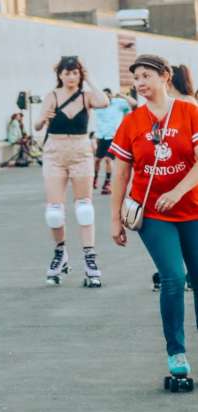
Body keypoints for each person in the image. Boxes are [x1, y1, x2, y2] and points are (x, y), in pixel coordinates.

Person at [109, 54, 198, 387]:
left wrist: (177, 191)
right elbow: (120, 173)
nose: (141, 83)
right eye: (136, 78)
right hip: (153, 215)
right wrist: (115, 219)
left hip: (193, 209)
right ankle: (176, 353)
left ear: (166, 76)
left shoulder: (189, 113)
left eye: (147, 75)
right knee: (173, 278)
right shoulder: (132, 122)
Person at [34, 56, 109, 287]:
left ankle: (90, 258)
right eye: (67, 73)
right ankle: (60, 253)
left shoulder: (87, 97)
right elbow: (37, 125)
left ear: (80, 74)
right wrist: (43, 119)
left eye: (75, 72)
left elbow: (104, 101)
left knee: (84, 208)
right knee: (54, 212)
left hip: (80, 150)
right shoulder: (52, 96)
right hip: (55, 151)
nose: (71, 77)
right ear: (60, 75)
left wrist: (90, 78)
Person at [152, 64, 196, 292]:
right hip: (179, 178)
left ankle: (175, 273)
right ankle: (174, 272)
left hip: (185, 180)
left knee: (181, 231)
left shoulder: (186, 104)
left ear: (169, 80)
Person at [93, 88, 131, 194]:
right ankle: (94, 178)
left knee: (108, 160)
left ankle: (108, 183)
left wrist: (121, 95)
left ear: (110, 95)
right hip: (101, 136)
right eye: (103, 96)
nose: (105, 98)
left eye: (107, 95)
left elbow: (132, 105)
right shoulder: (98, 106)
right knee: (96, 160)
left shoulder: (118, 104)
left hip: (113, 137)